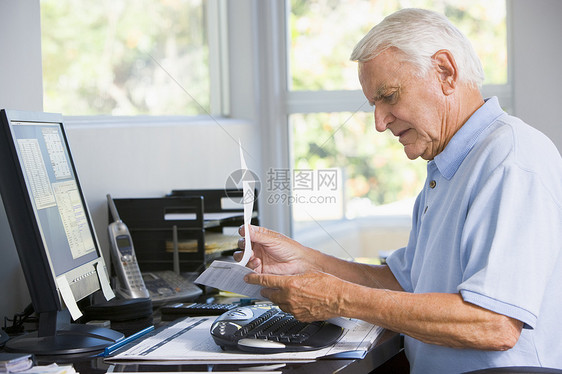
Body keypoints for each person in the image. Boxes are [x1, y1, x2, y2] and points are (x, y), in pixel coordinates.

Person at [236, 8, 562, 373]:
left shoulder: (511, 159)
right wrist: (305, 260)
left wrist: (339, 299)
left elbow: (494, 323)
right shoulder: (447, 166)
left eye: (388, 96)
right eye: (374, 104)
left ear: (445, 72)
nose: (379, 123)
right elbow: (406, 284)